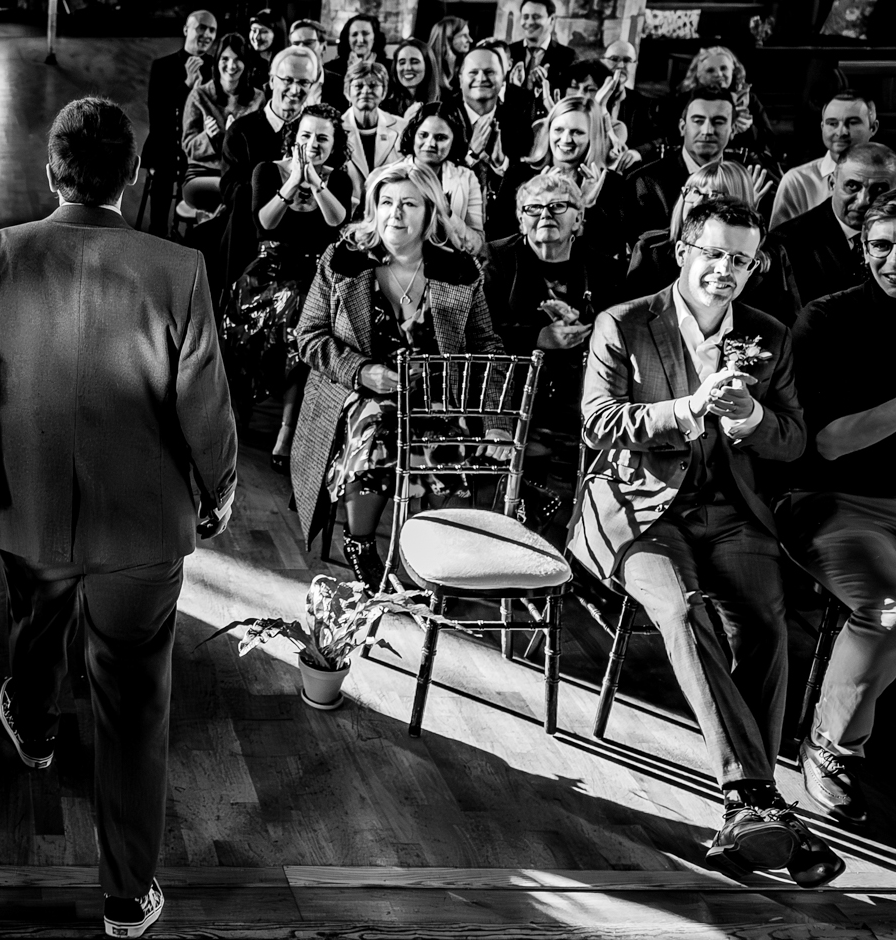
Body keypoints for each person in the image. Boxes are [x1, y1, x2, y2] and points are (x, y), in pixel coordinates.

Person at [0, 97, 234, 940]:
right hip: (143, 530)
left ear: (50, 172)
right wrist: (215, 491)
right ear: (135, 176)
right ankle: (127, 891)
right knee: (135, 699)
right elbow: (204, 412)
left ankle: (31, 727)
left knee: (36, 619)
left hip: (26, 510)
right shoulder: (177, 269)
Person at [571, 198, 837, 884]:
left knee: (768, 626)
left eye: (740, 259)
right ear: (683, 249)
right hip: (636, 506)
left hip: (729, 510)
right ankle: (756, 799)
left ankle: (748, 813)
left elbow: (794, 437)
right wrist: (688, 410)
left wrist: (750, 417)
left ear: (754, 266)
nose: (725, 269)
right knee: (686, 612)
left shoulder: (769, 335)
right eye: (713, 252)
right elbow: (600, 422)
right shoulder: (624, 322)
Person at [783, 189, 896, 828]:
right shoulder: (828, 319)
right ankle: (829, 746)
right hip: (839, 504)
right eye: (881, 246)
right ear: (864, 250)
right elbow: (829, 442)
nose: (895, 258)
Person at [291, 159, 499, 590]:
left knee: (443, 431)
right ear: (373, 207)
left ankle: (433, 553)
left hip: (436, 394)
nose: (395, 214)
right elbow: (308, 336)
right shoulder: (344, 259)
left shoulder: (459, 270)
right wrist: (362, 371)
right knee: (383, 420)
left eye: (408, 204)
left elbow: (487, 348)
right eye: (385, 202)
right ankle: (361, 542)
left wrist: (496, 422)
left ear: (429, 212)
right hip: (355, 392)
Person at [230, 104, 353, 464]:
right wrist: (291, 182)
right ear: (293, 137)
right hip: (268, 268)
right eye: (306, 135)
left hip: (315, 274)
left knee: (303, 310)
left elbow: (336, 222)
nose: (313, 143)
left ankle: (286, 429)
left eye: (322, 137)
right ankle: (239, 414)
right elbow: (264, 224)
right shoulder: (267, 170)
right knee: (263, 316)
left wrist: (315, 184)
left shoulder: (339, 180)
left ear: (334, 143)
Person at [484, 170, 623, 454]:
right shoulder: (495, 260)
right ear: (521, 221)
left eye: (558, 206)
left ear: (579, 219)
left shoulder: (606, 269)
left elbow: (622, 334)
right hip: (514, 395)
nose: (546, 214)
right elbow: (482, 331)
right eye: (534, 208)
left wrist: (589, 330)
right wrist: (538, 337)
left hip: (581, 399)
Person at [627, 160, 796, 324]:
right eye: (693, 192)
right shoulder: (651, 249)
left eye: (714, 196)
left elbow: (782, 326)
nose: (698, 202)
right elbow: (630, 317)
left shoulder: (773, 259)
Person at [219, 47, 321, 291]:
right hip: (250, 233)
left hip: (304, 234)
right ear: (272, 80)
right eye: (288, 80)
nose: (296, 90)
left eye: (304, 82)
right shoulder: (241, 131)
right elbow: (230, 190)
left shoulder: (319, 135)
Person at [488, 95, 639, 260]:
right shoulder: (519, 175)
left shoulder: (611, 184)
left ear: (592, 137)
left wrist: (587, 206)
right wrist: (535, 202)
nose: (566, 139)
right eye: (558, 130)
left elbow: (609, 250)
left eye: (577, 132)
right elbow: (496, 239)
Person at [771, 142, 896, 311]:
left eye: (878, 190)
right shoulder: (787, 244)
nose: (863, 201)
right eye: (852, 186)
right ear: (832, 183)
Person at [627, 92, 771, 234]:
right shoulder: (646, 182)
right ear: (682, 127)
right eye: (698, 121)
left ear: (733, 130)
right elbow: (648, 247)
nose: (707, 131)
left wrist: (748, 216)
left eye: (718, 122)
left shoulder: (749, 181)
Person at [767, 94, 896, 229]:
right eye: (832, 123)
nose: (841, 132)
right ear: (822, 127)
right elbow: (779, 244)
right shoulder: (797, 180)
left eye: (852, 123)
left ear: (873, 127)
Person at [139, 10, 218, 234]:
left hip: (199, 146)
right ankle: (159, 234)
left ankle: (195, 235)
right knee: (164, 174)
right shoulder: (162, 66)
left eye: (212, 30)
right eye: (201, 27)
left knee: (203, 173)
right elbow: (158, 115)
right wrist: (187, 85)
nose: (206, 34)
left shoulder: (216, 68)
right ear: (186, 29)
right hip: (166, 141)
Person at [179, 35, 262, 219]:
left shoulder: (258, 98)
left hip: (242, 175)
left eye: (238, 59)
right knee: (240, 194)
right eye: (225, 59)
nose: (231, 66)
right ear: (217, 62)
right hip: (203, 175)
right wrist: (207, 136)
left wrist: (237, 136)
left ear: (246, 63)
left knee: (244, 192)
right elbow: (189, 147)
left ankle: (210, 232)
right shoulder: (199, 95)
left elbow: (262, 147)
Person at [442, 44, 536, 201]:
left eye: (489, 72)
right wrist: (471, 155)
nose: (481, 79)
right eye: (473, 72)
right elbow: (434, 178)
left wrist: (500, 164)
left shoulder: (519, 117)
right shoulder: (443, 115)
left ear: (502, 78)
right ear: (460, 79)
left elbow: (525, 181)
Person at [400, 102, 486, 256]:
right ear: (413, 135)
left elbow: (477, 245)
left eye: (440, 137)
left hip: (452, 269)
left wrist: (447, 212)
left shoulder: (467, 178)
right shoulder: (389, 176)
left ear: (454, 141)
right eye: (423, 135)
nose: (430, 143)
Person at [339, 62, 405, 188]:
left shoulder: (402, 128)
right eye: (358, 86)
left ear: (384, 92)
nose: (366, 91)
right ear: (347, 92)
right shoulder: (334, 128)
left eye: (373, 85)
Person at [506, 0, 577, 98]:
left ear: (552, 19)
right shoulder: (509, 52)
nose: (529, 22)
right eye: (525, 17)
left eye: (536, 17)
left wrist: (544, 87)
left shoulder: (567, 56)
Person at [386, 37, 442, 116]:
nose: (407, 67)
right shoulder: (384, 106)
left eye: (415, 62)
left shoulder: (446, 104)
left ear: (428, 65)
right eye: (402, 62)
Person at [427, 15, 475, 85]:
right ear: (447, 38)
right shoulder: (427, 67)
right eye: (464, 35)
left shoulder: (464, 65)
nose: (470, 40)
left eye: (468, 34)